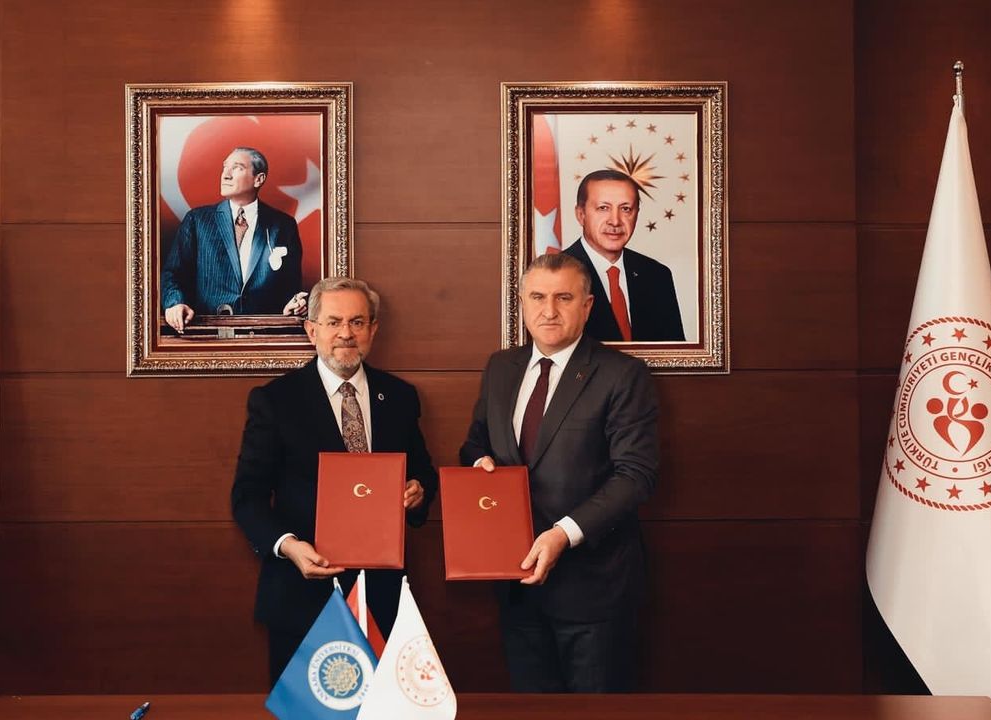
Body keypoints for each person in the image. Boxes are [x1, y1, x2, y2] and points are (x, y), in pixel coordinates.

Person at [460, 252, 659, 693]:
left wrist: (562, 534)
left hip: (594, 590)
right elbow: (475, 444)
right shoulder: (501, 368)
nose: (548, 310)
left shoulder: (622, 375)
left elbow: (635, 475)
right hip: (516, 584)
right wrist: (479, 464)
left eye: (563, 298)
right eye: (538, 297)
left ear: (587, 306)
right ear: (522, 303)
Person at [231, 277, 438, 683]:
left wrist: (419, 490)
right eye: (333, 322)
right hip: (302, 595)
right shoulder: (275, 401)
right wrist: (288, 547)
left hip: (383, 596)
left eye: (357, 322)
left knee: (384, 709)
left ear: (373, 330)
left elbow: (423, 470)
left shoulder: (400, 397)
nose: (346, 333)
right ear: (312, 330)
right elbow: (247, 496)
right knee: (305, 711)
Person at [161, 147, 308, 333]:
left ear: (259, 179)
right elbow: (173, 273)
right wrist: (175, 303)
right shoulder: (197, 220)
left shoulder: (284, 225)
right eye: (225, 167)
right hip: (208, 333)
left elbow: (290, 287)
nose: (226, 175)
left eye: (237, 168)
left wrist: (293, 305)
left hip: (263, 334)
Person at [561, 168, 685, 342]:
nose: (615, 221)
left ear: (636, 214)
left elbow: (675, 352)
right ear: (581, 215)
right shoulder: (556, 273)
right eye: (603, 208)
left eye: (626, 209)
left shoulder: (657, 275)